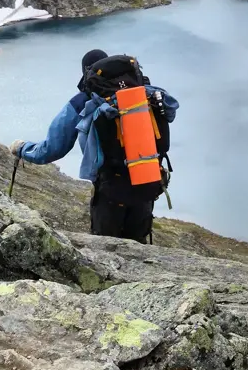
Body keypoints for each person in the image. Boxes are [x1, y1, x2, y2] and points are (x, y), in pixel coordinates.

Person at [10, 49, 178, 244]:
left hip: (110, 190)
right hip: (147, 183)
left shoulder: (83, 101)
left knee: (105, 249)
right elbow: (170, 114)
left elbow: (52, 149)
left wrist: (22, 149)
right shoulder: (144, 94)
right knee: (139, 244)